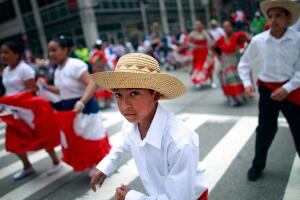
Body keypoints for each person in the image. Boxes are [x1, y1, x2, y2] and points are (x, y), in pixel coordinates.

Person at [90, 53, 208, 200]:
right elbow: (124, 144)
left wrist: (132, 197)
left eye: (134, 93)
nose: (124, 105)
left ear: (156, 96)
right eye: (118, 95)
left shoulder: (179, 142)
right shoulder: (131, 123)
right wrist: (105, 167)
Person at [238, 0, 300, 181]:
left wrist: (287, 88)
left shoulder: (297, 40)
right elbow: (244, 64)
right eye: (270, 16)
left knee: (298, 129)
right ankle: (257, 166)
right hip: (267, 90)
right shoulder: (259, 41)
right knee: (265, 130)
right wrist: (246, 84)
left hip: (292, 90)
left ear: (288, 18)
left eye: (279, 15)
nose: (273, 20)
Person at [44, 37, 111, 173]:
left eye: (54, 50)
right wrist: (45, 87)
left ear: (65, 50)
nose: (51, 54)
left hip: (85, 109)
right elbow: (63, 90)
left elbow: (91, 84)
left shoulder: (75, 65)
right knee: (77, 142)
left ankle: (99, 166)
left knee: (91, 139)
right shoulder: (57, 70)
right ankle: (92, 164)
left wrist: (81, 102)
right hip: (70, 110)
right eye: (49, 51)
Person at [0, 41, 61, 180]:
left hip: (28, 111)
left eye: (6, 52)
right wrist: (6, 102)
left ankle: (56, 161)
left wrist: (15, 98)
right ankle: (27, 166)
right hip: (12, 112)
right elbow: (7, 90)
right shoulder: (6, 71)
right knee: (13, 140)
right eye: (2, 52)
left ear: (16, 54)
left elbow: (32, 89)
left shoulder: (24, 69)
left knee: (41, 135)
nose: (3, 55)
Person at [214, 21, 250, 107]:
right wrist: (218, 57)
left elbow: (249, 41)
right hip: (225, 63)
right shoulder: (221, 38)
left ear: (232, 27)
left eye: (228, 26)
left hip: (236, 61)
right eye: (225, 27)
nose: (226, 29)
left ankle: (240, 97)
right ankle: (233, 100)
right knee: (228, 81)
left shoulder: (237, 36)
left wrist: (245, 52)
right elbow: (213, 47)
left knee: (238, 79)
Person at [190, 20, 213, 87]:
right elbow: (189, 42)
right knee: (197, 67)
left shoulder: (205, 33)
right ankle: (197, 82)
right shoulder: (193, 34)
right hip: (197, 53)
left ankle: (212, 82)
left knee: (208, 66)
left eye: (200, 25)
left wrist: (210, 50)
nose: (198, 26)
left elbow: (210, 42)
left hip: (205, 53)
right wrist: (195, 46)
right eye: (197, 25)